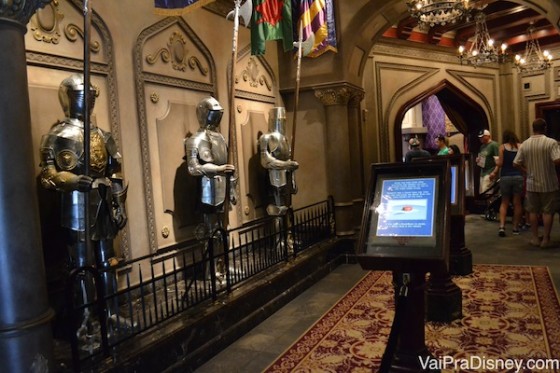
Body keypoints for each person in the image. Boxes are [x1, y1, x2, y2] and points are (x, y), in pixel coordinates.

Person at [39, 74, 129, 341]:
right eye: (82, 96)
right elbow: (47, 175)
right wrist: (72, 180)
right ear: (68, 98)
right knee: (80, 265)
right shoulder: (57, 135)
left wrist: (119, 204)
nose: (88, 102)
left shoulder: (103, 135)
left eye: (91, 97)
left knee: (107, 261)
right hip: (76, 203)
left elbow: (114, 173)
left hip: (102, 201)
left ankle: (111, 314)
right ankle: (85, 319)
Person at [185, 96, 237, 278]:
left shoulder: (220, 138)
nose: (216, 117)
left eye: (218, 114)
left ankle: (224, 264)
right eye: (213, 113)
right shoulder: (194, 140)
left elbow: (229, 165)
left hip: (222, 189)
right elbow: (193, 168)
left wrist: (232, 187)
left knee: (224, 231)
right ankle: (211, 270)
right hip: (207, 192)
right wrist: (219, 169)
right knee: (210, 232)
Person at [513, 118, 560, 248]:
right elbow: (557, 160)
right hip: (549, 182)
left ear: (533, 128)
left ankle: (535, 238)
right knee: (547, 212)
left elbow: (515, 163)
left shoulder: (525, 144)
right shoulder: (551, 143)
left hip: (532, 182)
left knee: (533, 211)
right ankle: (545, 239)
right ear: (545, 128)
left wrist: (526, 170)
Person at [259, 107, 299, 216]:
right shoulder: (265, 138)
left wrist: (293, 180)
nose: (281, 123)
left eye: (283, 120)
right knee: (276, 209)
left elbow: (289, 158)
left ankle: (287, 232)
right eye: (279, 120)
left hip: (286, 176)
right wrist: (286, 165)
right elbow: (265, 161)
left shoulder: (284, 139)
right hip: (273, 177)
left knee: (287, 208)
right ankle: (278, 232)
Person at [493, 130, 524, 237]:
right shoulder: (520, 146)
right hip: (518, 176)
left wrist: (496, 162)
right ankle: (515, 227)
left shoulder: (502, 147)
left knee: (504, 202)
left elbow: (500, 163)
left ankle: (502, 226)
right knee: (517, 203)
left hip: (505, 176)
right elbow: (522, 161)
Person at [476, 129, 499, 195]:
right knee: (482, 193)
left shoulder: (494, 145)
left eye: (482, 137)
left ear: (487, 136)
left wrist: (494, 172)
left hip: (490, 172)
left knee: (486, 193)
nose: (480, 138)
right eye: (480, 137)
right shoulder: (482, 147)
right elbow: (481, 161)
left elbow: (498, 161)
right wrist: (478, 160)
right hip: (482, 173)